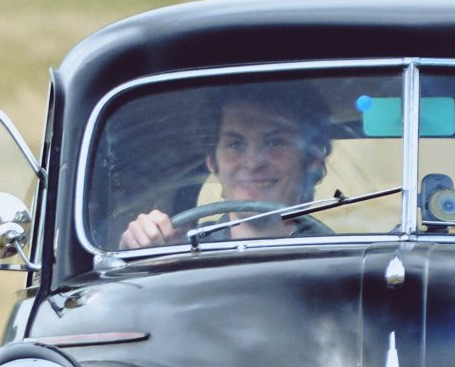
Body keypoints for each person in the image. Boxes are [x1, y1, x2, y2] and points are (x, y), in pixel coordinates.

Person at [120, 83, 335, 249]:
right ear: (212, 162)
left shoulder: (338, 258)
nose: (253, 162)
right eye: (236, 144)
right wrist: (139, 248)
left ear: (313, 158)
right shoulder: (183, 251)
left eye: (274, 142)